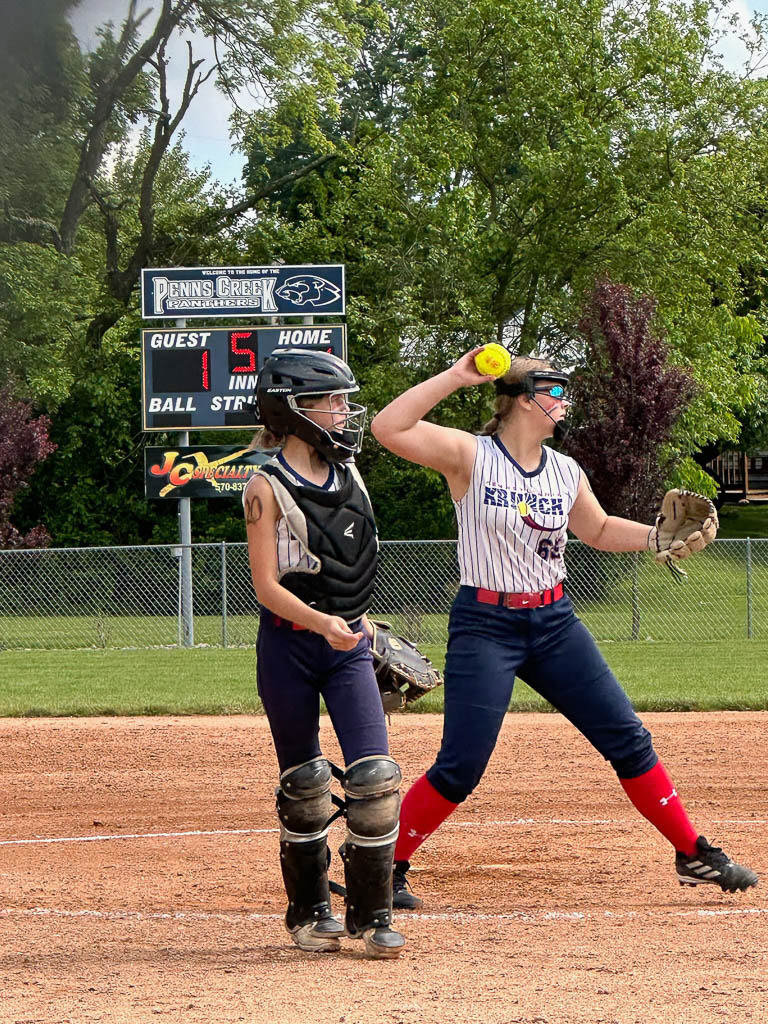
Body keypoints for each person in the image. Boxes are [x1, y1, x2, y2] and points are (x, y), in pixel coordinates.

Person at [370, 347, 758, 909]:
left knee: (628, 738)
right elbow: (388, 426)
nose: (564, 401)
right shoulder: (470, 455)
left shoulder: (564, 470)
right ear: (523, 400)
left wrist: (659, 538)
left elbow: (597, 529)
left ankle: (692, 853)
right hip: (486, 624)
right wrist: (458, 376)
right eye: (554, 391)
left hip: (554, 623)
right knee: (461, 767)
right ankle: (381, 863)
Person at [243, 347, 405, 959]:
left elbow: (351, 560)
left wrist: (353, 627)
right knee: (306, 784)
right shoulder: (265, 486)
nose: (343, 412)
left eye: (343, 401)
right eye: (332, 401)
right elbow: (266, 587)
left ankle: (373, 913)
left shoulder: (350, 473)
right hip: (290, 647)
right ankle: (310, 910)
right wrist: (323, 624)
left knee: (376, 779)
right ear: (295, 409)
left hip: (348, 645)